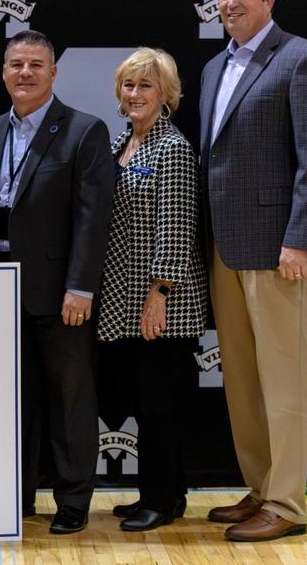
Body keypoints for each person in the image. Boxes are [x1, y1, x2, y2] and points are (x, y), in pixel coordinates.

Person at [198, 0, 307, 542]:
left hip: (279, 249)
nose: (229, 4)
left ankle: (286, 503)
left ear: (268, 0)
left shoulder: (302, 58)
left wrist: (300, 240)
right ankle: (260, 489)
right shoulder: (212, 67)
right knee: (243, 381)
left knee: (284, 379)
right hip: (224, 249)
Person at [0, 29, 114, 534]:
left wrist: (81, 287)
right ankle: (19, 495)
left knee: (70, 398)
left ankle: (74, 500)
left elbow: (92, 218)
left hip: (61, 293)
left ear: (54, 73)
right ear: (4, 72)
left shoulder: (83, 130)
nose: (25, 73)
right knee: (14, 398)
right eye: (16, 64)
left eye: (36, 64)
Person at [97, 48, 209, 531]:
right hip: (124, 296)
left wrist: (159, 293)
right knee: (145, 401)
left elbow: (178, 227)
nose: (135, 94)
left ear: (166, 93)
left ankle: (161, 502)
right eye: (129, 85)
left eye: (146, 85)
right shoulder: (124, 141)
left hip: (163, 301)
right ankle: (161, 493)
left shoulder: (172, 149)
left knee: (160, 404)